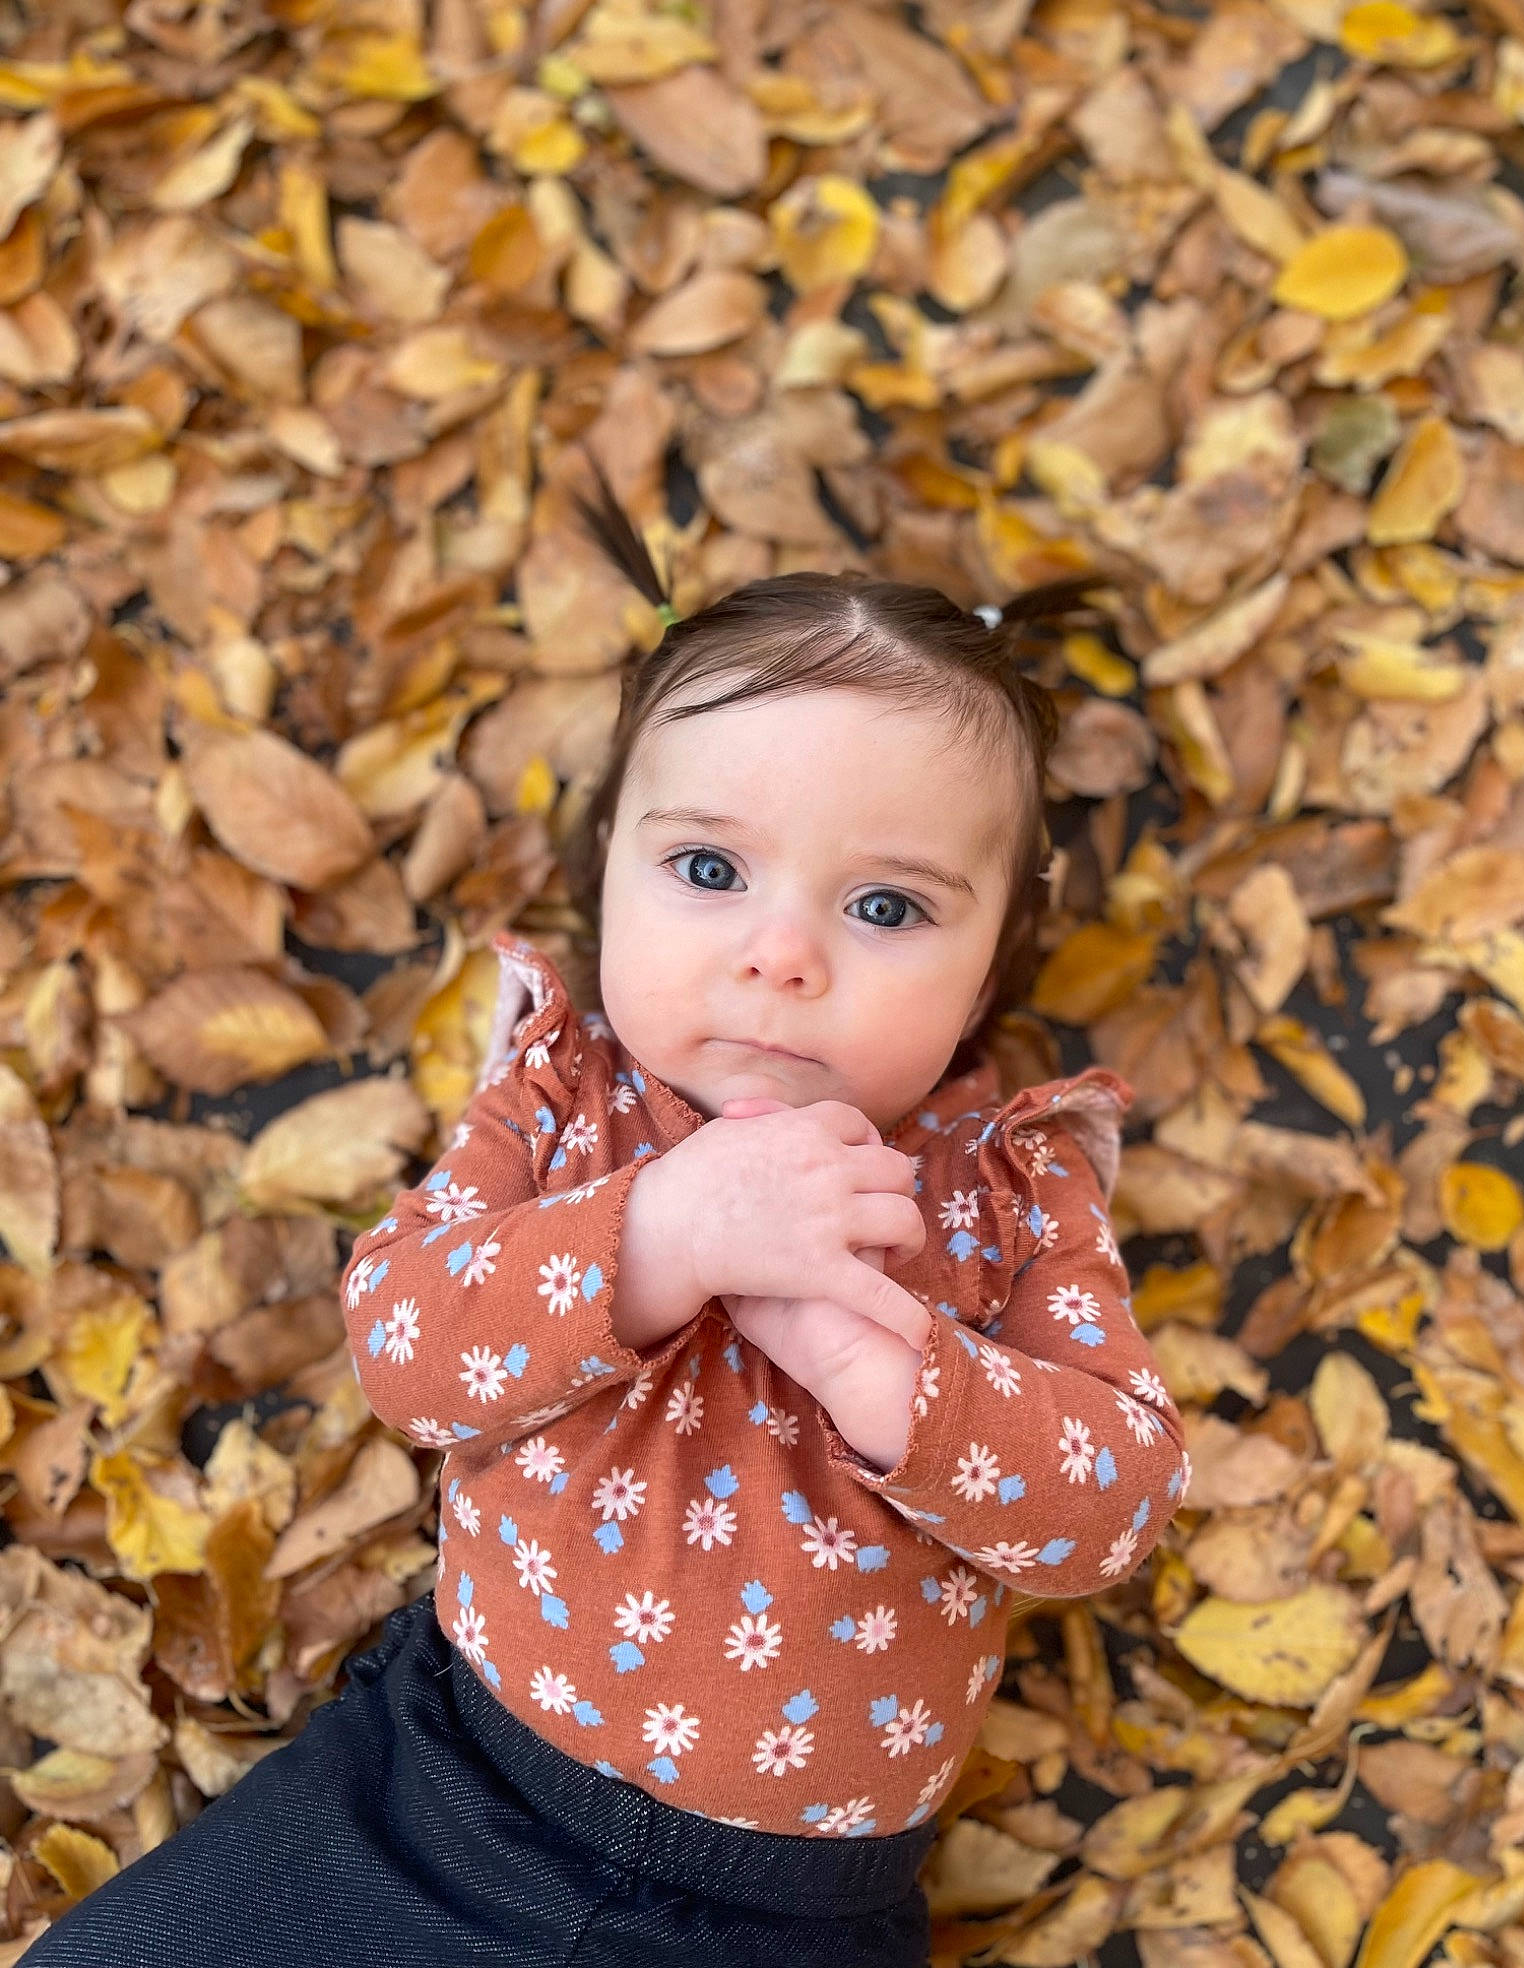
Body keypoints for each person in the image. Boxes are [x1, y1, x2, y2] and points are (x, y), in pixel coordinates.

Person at [25, 473, 1188, 1965]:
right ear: (609, 878)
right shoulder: (567, 1107)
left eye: (885, 909)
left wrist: (895, 1380)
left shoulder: (1002, 1187)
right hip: (440, 1785)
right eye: (709, 871)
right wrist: (653, 1240)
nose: (781, 957)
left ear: (990, 968)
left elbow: (1116, 1505)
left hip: (778, 1914)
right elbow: (404, 1343)